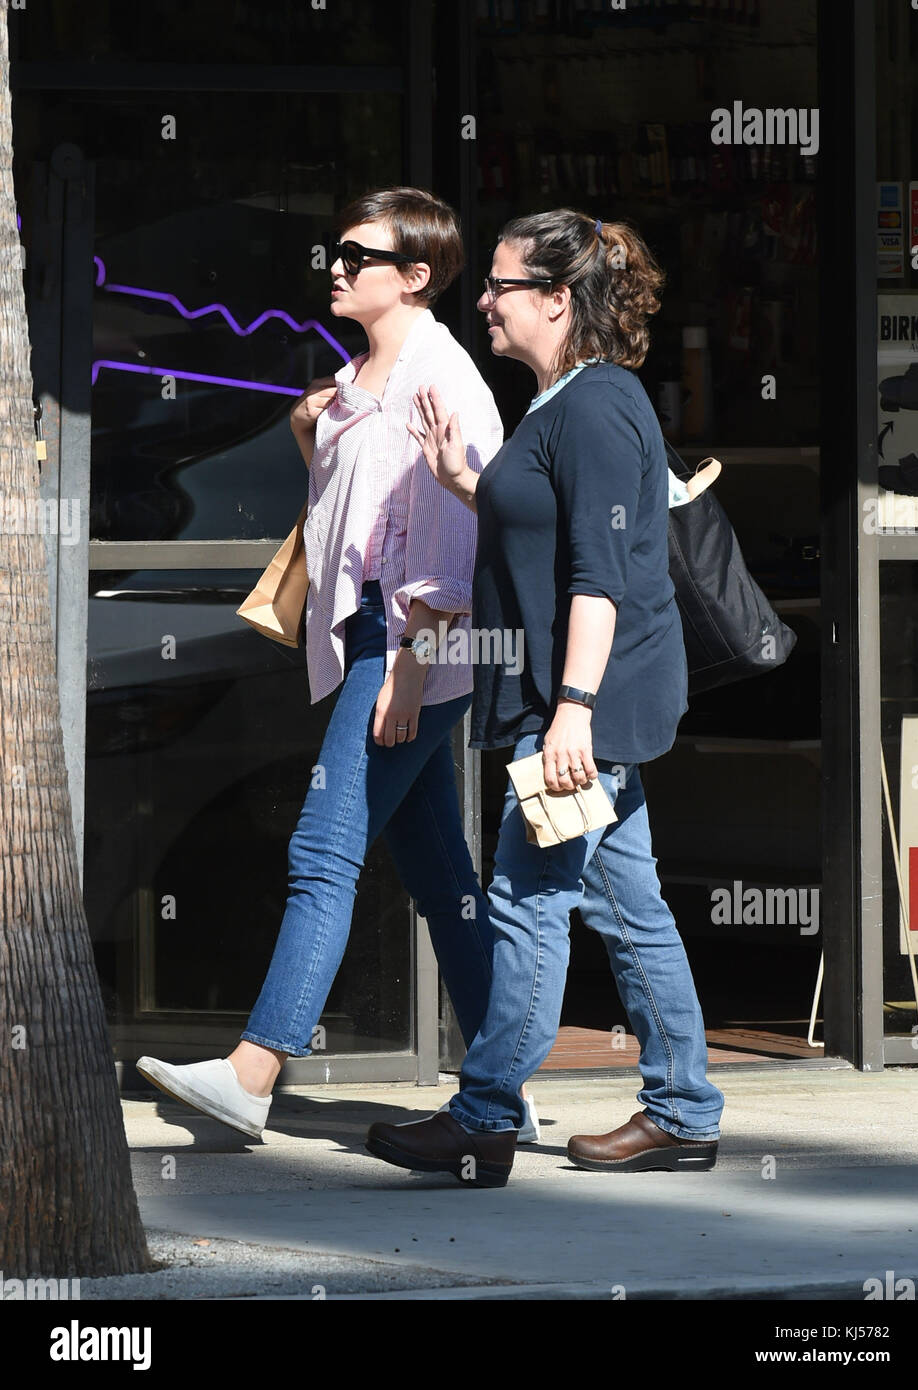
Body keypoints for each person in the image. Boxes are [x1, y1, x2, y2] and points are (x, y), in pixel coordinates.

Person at [135, 187, 545, 1141]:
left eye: (358, 257)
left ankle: (254, 1069)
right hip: (380, 638)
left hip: (413, 643)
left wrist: (409, 668)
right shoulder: (360, 378)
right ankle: (505, 1091)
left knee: (322, 850)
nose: (337, 266)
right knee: (439, 871)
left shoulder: (445, 380)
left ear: (415, 276)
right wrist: (307, 436)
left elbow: (454, 543)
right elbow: (357, 520)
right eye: (337, 251)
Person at [365, 209, 725, 1187]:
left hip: (583, 713)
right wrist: (468, 482)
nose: (482, 299)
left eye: (500, 283)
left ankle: (484, 1117)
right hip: (580, 707)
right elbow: (551, 524)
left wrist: (572, 710)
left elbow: (599, 575)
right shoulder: (565, 402)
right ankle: (684, 1108)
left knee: (525, 901)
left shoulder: (599, 405)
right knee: (632, 908)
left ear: (556, 300)